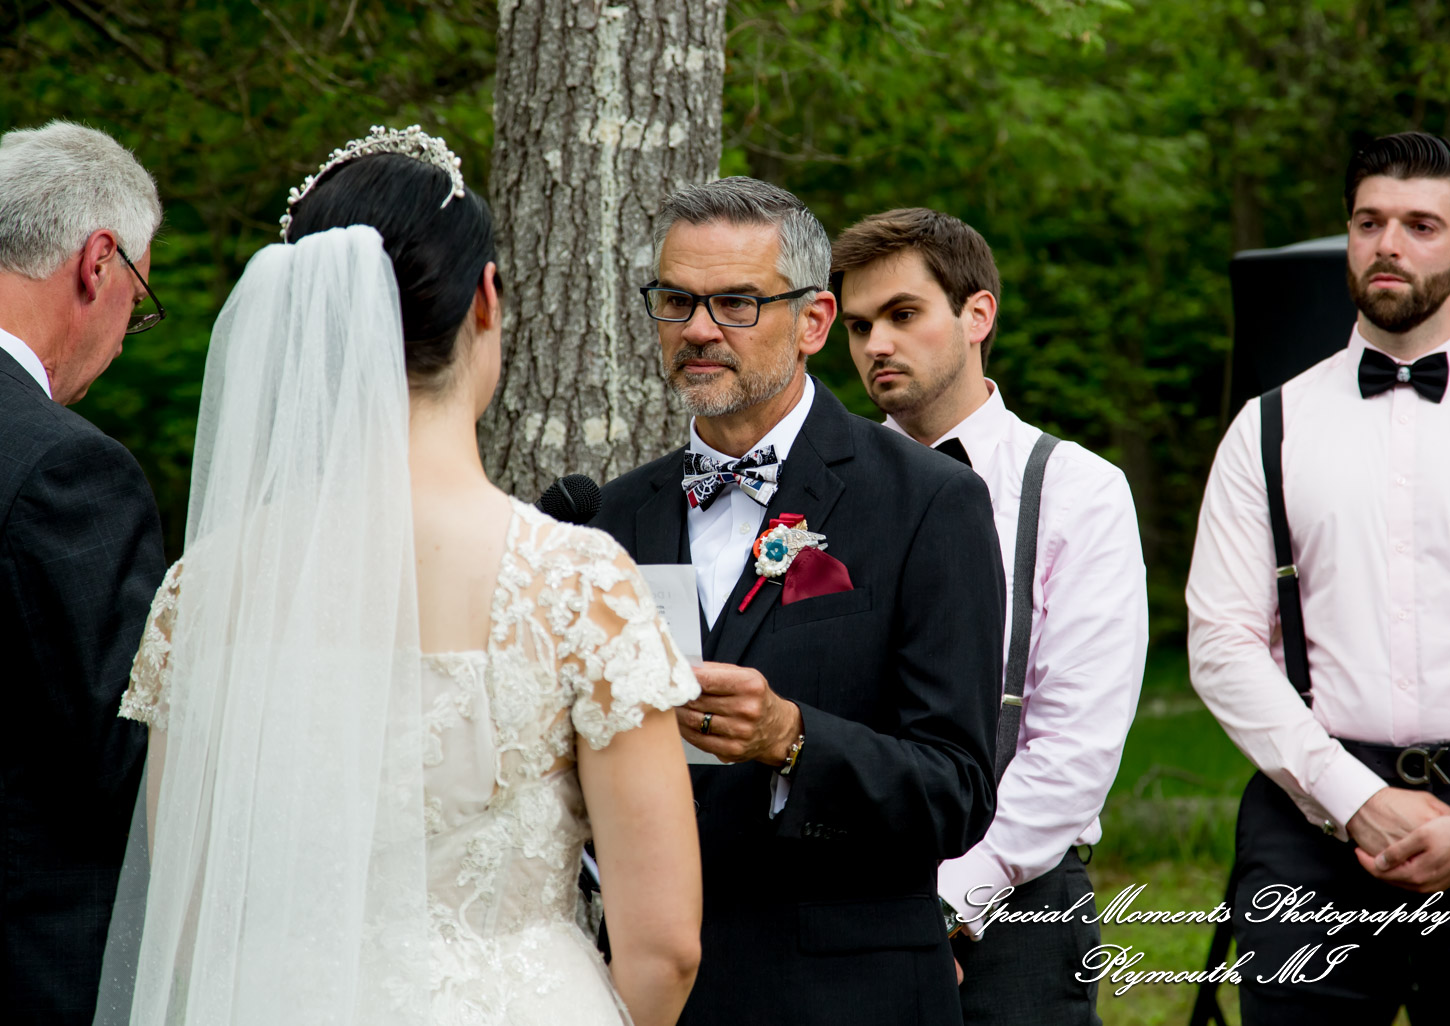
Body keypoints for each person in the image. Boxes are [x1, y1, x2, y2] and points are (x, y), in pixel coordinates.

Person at [113, 128, 701, 1026]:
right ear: (486, 301)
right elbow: (664, 946)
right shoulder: (579, 585)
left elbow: (188, 913)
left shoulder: (202, 595)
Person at [592, 177, 1005, 1026]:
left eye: (737, 302)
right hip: (648, 993)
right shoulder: (613, 516)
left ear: (814, 322)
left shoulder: (929, 503)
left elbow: (957, 792)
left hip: (849, 994)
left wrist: (793, 741)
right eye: (677, 301)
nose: (699, 329)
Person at [1188, 131, 1450, 1023]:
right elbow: (1218, 642)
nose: (1388, 244)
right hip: (1313, 826)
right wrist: (1352, 799)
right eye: (1368, 222)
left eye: (1419, 225)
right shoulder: (1266, 427)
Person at [831, 207, 1148, 1025]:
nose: (875, 346)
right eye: (859, 325)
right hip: (844, 901)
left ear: (977, 315)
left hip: (1021, 899)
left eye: (903, 315)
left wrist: (954, 893)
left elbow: (1077, 741)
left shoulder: (1077, 490)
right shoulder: (824, 493)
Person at [0, 120, 167, 1024]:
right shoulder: (66, 469)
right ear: (97, 262)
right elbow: (125, 754)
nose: (125, 334)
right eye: (137, 299)